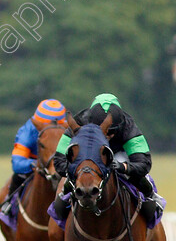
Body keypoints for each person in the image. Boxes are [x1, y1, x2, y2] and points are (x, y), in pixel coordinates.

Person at [52, 93, 164, 222]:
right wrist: (75, 170)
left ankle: (151, 195)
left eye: (111, 132)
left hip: (119, 154)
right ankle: (64, 198)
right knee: (64, 194)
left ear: (119, 126)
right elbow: (59, 161)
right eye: (103, 132)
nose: (107, 136)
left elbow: (144, 163)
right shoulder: (79, 123)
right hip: (88, 157)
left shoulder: (128, 127)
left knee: (138, 177)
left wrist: (124, 167)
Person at [0, 99, 67, 216]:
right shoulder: (27, 132)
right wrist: (34, 164)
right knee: (18, 177)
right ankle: (10, 204)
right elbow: (17, 163)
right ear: (38, 125)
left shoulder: (66, 130)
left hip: (59, 166)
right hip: (33, 167)